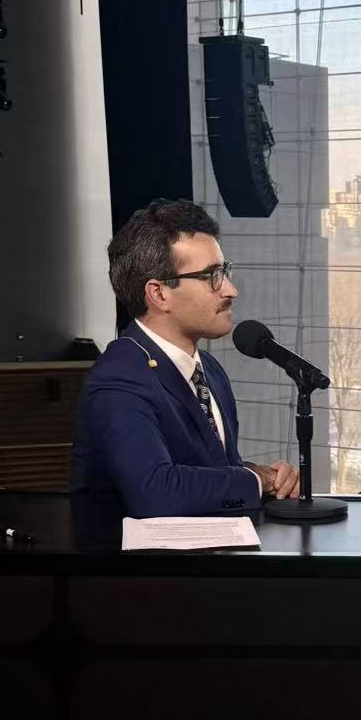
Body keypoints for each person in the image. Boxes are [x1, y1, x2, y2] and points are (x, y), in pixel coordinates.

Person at [71, 198, 299, 517]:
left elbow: (210, 469)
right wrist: (255, 481)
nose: (230, 290)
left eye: (225, 271)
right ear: (159, 294)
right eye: (211, 276)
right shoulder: (119, 377)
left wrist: (268, 479)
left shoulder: (209, 370)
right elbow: (155, 492)